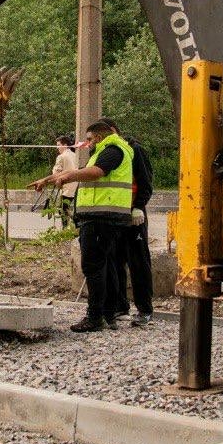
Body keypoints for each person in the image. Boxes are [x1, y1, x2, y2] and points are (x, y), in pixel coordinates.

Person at [30, 120, 134, 333]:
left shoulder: (112, 150)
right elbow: (85, 171)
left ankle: (95, 317)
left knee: (93, 266)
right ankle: (107, 314)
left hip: (102, 216)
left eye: (89, 139)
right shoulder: (107, 151)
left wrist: (68, 175)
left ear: (98, 137)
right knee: (105, 265)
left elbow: (96, 172)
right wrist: (47, 179)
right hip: (103, 216)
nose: (87, 143)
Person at [101, 119, 154, 327]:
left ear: (114, 132)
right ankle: (120, 306)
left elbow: (145, 181)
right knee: (115, 261)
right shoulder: (107, 153)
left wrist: (139, 206)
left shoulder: (134, 150)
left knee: (138, 261)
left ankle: (145, 309)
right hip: (115, 216)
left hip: (134, 215)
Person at [51, 134, 79, 227]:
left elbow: (56, 172)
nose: (57, 147)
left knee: (63, 209)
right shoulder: (76, 155)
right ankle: (73, 224)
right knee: (68, 208)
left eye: (59, 145)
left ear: (65, 145)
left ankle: (66, 227)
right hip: (77, 186)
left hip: (67, 188)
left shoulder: (61, 157)